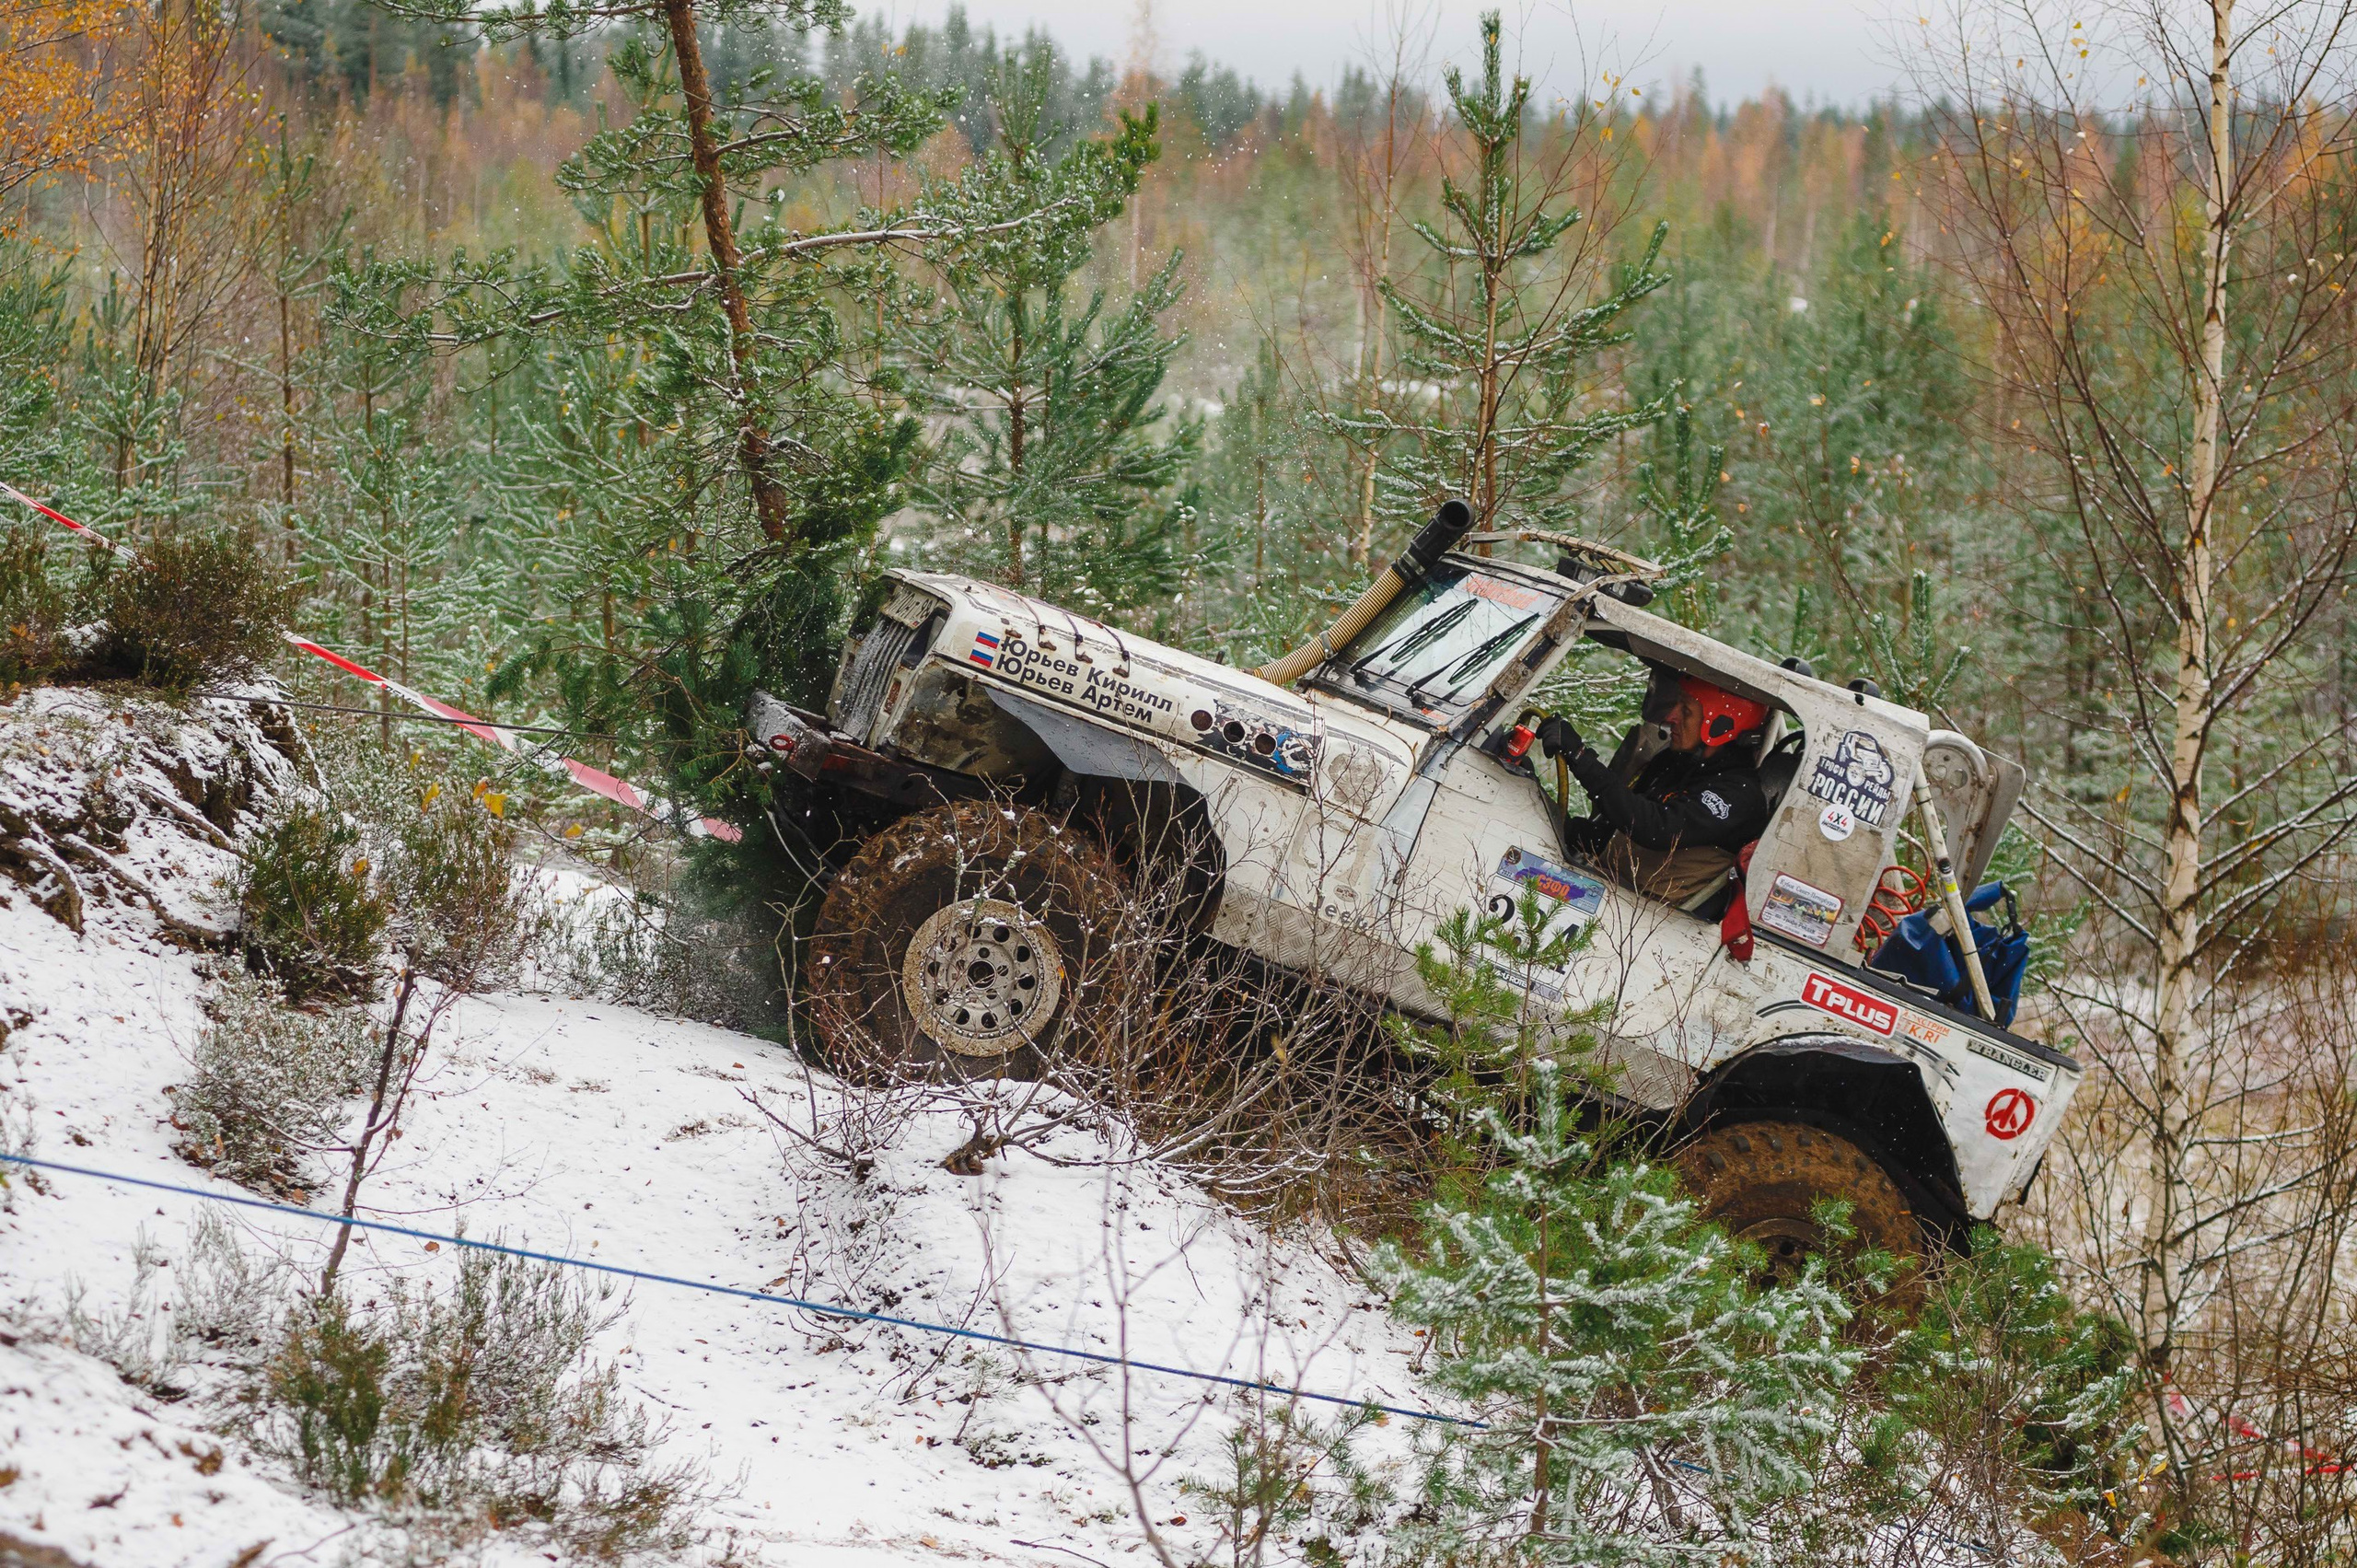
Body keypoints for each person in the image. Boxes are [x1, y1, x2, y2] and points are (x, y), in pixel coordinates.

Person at [1535, 668, 1771, 908]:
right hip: (1616, 891)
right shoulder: (1674, 762)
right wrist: (1542, 815)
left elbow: (1657, 828)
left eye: (1686, 711)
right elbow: (1613, 833)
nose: (1671, 717)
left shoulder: (1738, 794)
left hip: (1654, 921)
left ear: (1722, 726)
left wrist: (1580, 757)